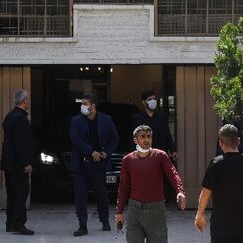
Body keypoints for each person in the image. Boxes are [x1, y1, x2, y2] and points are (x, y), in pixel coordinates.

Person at [115, 125, 186, 243]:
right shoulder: (128, 160)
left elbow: (173, 173)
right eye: (143, 136)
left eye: (149, 136)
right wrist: (119, 212)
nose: (146, 139)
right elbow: (123, 187)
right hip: (134, 210)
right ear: (135, 140)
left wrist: (180, 191)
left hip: (156, 210)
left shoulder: (160, 156)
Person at [195, 124, 243, 243]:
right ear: (238, 141)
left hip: (221, 226)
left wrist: (199, 215)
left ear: (220, 143)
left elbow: (205, 193)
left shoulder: (216, 164)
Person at [69, 93, 119, 236]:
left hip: (99, 164)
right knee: (80, 196)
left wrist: (106, 153)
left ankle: (105, 221)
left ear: (93, 106)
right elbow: (76, 140)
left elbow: (115, 139)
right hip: (81, 164)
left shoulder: (106, 120)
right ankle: (82, 225)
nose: (83, 106)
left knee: (102, 195)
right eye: (82, 103)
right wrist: (91, 151)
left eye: (85, 103)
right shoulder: (76, 121)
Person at [0, 89, 34, 235]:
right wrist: (26, 163)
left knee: (12, 194)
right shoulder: (20, 119)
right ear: (24, 100)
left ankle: (10, 223)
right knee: (21, 193)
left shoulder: (9, 116)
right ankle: (18, 224)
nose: (29, 102)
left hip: (9, 164)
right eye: (28, 100)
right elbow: (20, 143)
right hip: (18, 165)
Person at [129, 90, 177, 160]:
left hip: (160, 154)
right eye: (150, 99)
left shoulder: (161, 117)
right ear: (144, 102)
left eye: (154, 99)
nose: (153, 101)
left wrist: (173, 151)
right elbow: (134, 137)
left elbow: (167, 135)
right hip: (144, 155)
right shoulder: (137, 118)